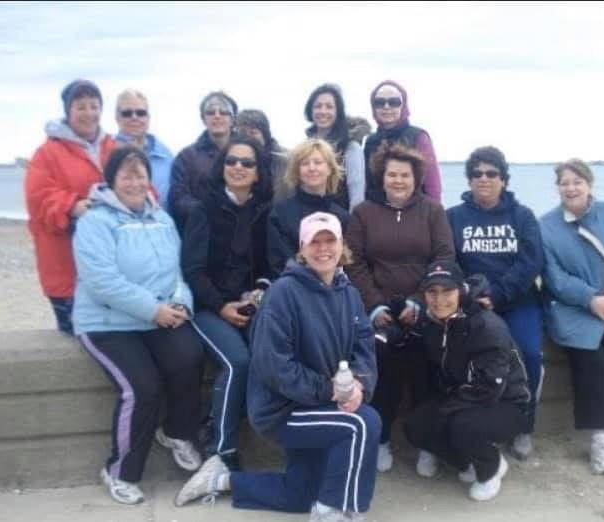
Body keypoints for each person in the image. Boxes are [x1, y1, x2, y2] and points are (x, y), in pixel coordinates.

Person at [174, 212, 380, 522]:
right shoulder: (283, 293)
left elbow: (365, 345)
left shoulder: (348, 293)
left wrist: (359, 384)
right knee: (362, 423)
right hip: (283, 410)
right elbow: (274, 367)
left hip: (321, 404)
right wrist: (332, 391)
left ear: (341, 246)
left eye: (330, 241)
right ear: (302, 248)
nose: (323, 249)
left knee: (300, 494)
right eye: (315, 242)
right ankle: (335, 511)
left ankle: (219, 479)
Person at [72, 146, 204, 504]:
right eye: (127, 175)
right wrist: (153, 310)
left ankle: (176, 431)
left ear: (149, 180)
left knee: (190, 356)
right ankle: (120, 471)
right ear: (112, 180)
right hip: (107, 322)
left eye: (140, 175)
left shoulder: (162, 219)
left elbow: (177, 271)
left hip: (156, 316)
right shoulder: (94, 222)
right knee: (142, 387)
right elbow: (102, 280)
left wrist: (179, 302)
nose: (134, 182)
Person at [345, 142, 455, 474]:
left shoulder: (433, 211)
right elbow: (355, 264)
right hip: (379, 308)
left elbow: (444, 257)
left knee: (426, 368)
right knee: (383, 369)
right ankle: (380, 441)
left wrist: (420, 301)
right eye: (392, 174)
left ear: (415, 177)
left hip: (424, 305)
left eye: (405, 175)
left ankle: (427, 443)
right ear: (382, 176)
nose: (398, 180)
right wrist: (375, 306)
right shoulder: (363, 213)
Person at [539, 158, 604, 476]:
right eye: (564, 182)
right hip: (575, 308)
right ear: (557, 187)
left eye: (577, 181)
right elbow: (553, 277)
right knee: (590, 360)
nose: (570, 188)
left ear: (589, 184)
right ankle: (598, 437)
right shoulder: (546, 226)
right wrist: (589, 300)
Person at [181, 136, 273, 471]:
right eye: (231, 161)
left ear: (258, 173)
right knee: (238, 362)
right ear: (222, 168)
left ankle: (210, 422)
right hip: (208, 309)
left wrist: (258, 293)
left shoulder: (264, 212)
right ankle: (221, 449)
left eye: (247, 163)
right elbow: (192, 270)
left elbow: (268, 267)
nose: (238, 167)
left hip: (250, 307)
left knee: (269, 361)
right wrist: (222, 306)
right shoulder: (203, 210)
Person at [447, 146, 544, 460]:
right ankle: (473, 426)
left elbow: (531, 262)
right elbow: (450, 261)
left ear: (504, 179)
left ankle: (523, 428)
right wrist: (470, 295)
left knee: (528, 353)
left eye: (491, 173)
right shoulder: (454, 217)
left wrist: (499, 294)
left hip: (517, 301)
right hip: (472, 304)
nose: (483, 179)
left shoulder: (523, 216)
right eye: (477, 174)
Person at [404, 261, 530, 501]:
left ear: (460, 291)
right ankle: (467, 461)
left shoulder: (486, 326)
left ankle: (491, 467)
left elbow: (489, 388)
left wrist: (444, 411)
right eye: (432, 292)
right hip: (464, 394)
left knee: (460, 424)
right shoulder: (431, 322)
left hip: (505, 402)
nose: (440, 300)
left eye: (447, 291)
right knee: (416, 425)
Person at [24, 79, 117, 334]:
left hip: (109, 263)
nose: (89, 113)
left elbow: (137, 184)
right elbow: (38, 198)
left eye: (94, 106)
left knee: (113, 334)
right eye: (81, 107)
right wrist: (72, 205)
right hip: (65, 261)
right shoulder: (47, 153)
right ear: (68, 111)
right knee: (77, 334)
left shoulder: (113, 147)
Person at [267, 138, 349, 278]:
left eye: (318, 162)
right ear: (297, 171)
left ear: (329, 168)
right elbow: (279, 262)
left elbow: (345, 262)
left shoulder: (342, 217)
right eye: (305, 163)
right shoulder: (280, 214)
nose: (312, 168)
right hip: (293, 291)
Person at [363, 80, 442, 202]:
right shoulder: (370, 141)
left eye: (394, 102)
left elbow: (433, 185)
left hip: (414, 213)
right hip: (377, 213)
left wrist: (434, 216)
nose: (386, 107)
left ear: (403, 105)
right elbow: (367, 185)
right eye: (380, 102)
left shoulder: (418, 137)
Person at [169, 90, 238, 230]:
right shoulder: (186, 157)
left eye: (224, 112)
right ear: (203, 119)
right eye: (211, 112)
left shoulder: (248, 154)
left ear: (233, 119)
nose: (217, 116)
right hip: (202, 236)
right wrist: (208, 211)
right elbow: (178, 199)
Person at [304, 83, 365, 210]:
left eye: (329, 107)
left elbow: (357, 195)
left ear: (338, 112)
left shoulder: (350, 147)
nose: (323, 111)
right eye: (318, 106)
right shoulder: (305, 147)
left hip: (340, 221)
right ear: (310, 110)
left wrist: (353, 226)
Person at [114, 88, 174, 212]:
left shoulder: (166, 154)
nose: (134, 117)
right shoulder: (108, 152)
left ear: (148, 117)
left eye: (140, 112)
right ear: (117, 118)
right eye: (127, 113)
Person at [236, 108, 290, 202]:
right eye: (243, 133)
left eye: (253, 132)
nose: (248, 138)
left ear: (265, 134)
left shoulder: (287, 160)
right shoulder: (232, 161)